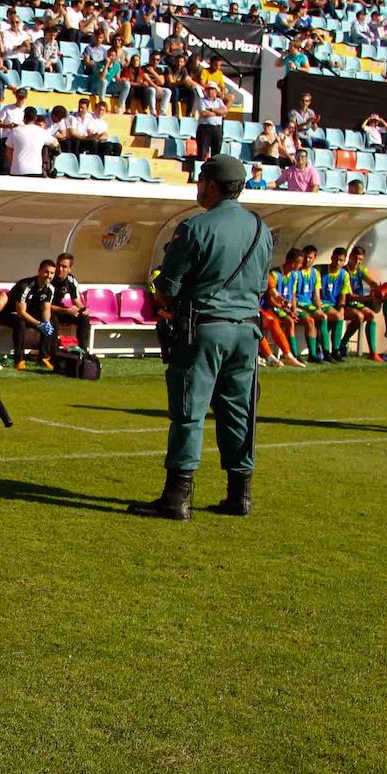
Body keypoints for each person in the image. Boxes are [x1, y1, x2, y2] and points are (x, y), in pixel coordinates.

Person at [129, 154, 272, 520]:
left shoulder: (196, 227)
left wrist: (167, 298)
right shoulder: (261, 228)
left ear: (210, 184)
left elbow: (167, 289)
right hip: (248, 331)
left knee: (189, 412)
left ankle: (177, 497)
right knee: (239, 411)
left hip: (205, 329)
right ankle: (240, 495)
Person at [0, 260, 59, 369]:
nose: (49, 276)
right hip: (9, 313)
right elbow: (21, 312)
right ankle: (19, 360)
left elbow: (46, 309)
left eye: (52, 273)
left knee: (52, 319)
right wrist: (39, 324)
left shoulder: (50, 288)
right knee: (20, 323)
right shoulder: (26, 286)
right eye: (46, 272)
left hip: (27, 313)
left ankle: (45, 357)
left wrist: (46, 323)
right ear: (39, 271)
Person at [341, 245, 387, 356]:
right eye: (355, 258)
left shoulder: (361, 269)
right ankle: (344, 344)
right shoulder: (344, 272)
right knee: (364, 316)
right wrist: (369, 298)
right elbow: (349, 296)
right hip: (348, 302)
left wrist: (377, 288)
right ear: (350, 257)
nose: (357, 261)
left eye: (360, 259)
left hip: (360, 300)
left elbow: (370, 281)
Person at [50, 251, 91, 350]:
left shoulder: (71, 280)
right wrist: (67, 311)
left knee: (84, 317)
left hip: (60, 309)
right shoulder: (49, 278)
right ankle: (53, 352)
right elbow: (45, 305)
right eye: (58, 265)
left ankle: (83, 351)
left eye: (64, 267)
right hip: (47, 310)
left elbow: (76, 300)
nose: (60, 269)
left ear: (69, 269)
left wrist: (82, 309)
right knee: (53, 319)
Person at [7, 107, 59, 177]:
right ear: (35, 119)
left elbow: (9, 151)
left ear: (24, 118)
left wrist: (13, 165)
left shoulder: (15, 131)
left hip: (17, 170)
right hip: (35, 170)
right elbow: (55, 145)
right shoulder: (42, 132)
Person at [195, 82, 227, 163]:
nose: (210, 91)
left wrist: (212, 110)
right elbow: (204, 113)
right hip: (205, 128)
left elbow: (224, 111)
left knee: (216, 155)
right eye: (208, 89)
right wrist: (218, 113)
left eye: (212, 89)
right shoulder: (202, 100)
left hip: (217, 128)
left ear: (216, 91)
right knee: (202, 153)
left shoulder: (219, 101)